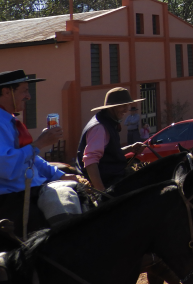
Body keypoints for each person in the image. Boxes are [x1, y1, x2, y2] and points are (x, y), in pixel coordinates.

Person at [0, 69, 80, 237]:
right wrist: (40, 143)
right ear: (6, 92)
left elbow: (31, 157)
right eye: (24, 90)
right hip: (12, 198)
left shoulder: (10, 121)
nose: (29, 96)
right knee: (68, 224)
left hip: (31, 190)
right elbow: (6, 167)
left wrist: (59, 175)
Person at [77, 88, 146, 191]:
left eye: (127, 105)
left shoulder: (108, 122)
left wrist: (131, 148)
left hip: (114, 177)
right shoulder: (99, 127)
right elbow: (90, 161)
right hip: (108, 182)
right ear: (111, 107)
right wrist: (102, 193)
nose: (126, 109)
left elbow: (108, 154)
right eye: (123, 106)